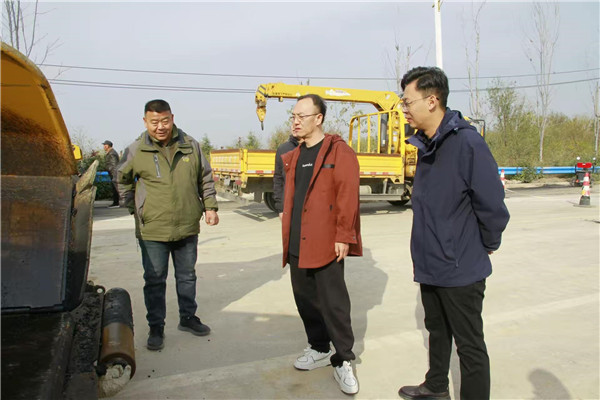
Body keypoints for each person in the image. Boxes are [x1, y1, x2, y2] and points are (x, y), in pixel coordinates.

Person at [396, 67, 510, 400]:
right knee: (437, 329)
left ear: (432, 101)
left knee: (469, 344)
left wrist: (488, 243)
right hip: (431, 261)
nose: (404, 109)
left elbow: (492, 204)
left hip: (460, 267)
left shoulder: (467, 143)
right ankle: (436, 386)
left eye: (407, 102)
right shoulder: (426, 145)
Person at [117, 99, 219, 351]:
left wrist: (210, 207)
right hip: (153, 229)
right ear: (145, 122)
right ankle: (156, 327)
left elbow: (205, 178)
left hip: (187, 224)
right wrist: (135, 209)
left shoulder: (190, 145)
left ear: (172, 118)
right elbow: (122, 180)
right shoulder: (136, 150)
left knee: (187, 276)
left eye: (165, 120)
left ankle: (188, 318)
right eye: (154, 122)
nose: (160, 126)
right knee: (154, 279)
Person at [280, 94, 362, 395]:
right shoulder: (293, 154)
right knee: (305, 300)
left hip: (327, 242)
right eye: (293, 116)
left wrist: (344, 235)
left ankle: (343, 359)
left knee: (333, 304)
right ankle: (319, 348)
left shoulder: (338, 151)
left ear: (319, 118)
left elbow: (347, 195)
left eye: (302, 116)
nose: (295, 121)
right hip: (297, 241)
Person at [273, 132, 300, 217]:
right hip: (290, 208)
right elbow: (278, 178)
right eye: (293, 125)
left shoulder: (316, 148)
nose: (295, 126)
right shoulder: (283, 149)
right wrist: (280, 208)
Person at [102, 140, 120, 208]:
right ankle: (116, 202)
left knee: (115, 188)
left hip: (113, 173)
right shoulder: (111, 152)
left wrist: (111, 171)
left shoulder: (112, 153)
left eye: (105, 145)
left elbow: (114, 165)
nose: (104, 146)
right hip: (113, 172)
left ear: (108, 146)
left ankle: (116, 203)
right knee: (115, 187)